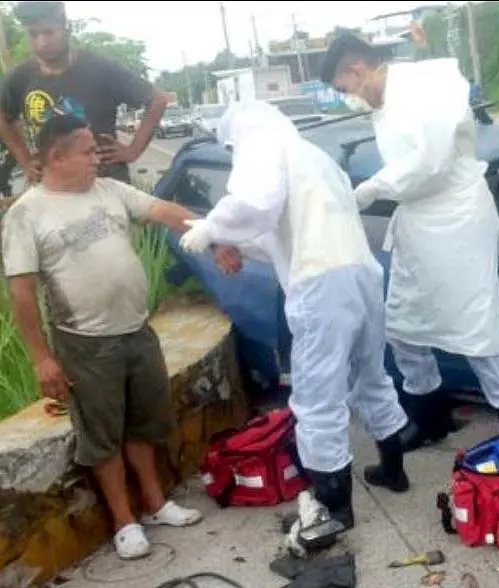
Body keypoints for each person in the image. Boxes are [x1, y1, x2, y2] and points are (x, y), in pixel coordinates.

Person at [177, 101, 411, 530]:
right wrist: (228, 241)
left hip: (321, 284)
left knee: (317, 398)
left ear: (238, 135)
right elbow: (277, 231)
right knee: (371, 376)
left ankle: (334, 508)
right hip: (361, 273)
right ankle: (393, 470)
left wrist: (212, 228)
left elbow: (254, 202)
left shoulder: (261, 147)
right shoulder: (312, 155)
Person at [1, 114, 204, 560]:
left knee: (143, 424)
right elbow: (21, 293)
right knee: (102, 436)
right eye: (88, 151)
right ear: (57, 156)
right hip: (85, 344)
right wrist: (41, 359)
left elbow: (165, 211)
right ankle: (124, 522)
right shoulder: (27, 213)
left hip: (136, 330)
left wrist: (214, 235)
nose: (99, 157)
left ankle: (154, 504)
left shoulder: (110, 191)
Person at [320, 34, 499, 452]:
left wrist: (371, 189)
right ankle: (432, 418)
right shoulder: (387, 103)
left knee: (478, 329)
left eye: (343, 89)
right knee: (403, 325)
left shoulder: (425, 89)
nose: (347, 99)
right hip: (418, 223)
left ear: (356, 69)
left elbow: (429, 165)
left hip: (457, 221)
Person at [0, 1, 167, 185]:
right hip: (51, 187)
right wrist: (24, 160)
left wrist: (133, 150)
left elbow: (157, 100)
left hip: (105, 183)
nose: (42, 42)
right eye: (33, 34)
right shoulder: (20, 77)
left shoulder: (101, 68)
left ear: (66, 28)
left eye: (49, 32)